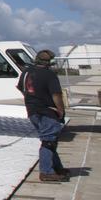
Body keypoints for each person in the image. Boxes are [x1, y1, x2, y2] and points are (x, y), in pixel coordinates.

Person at [18, 48, 69, 182]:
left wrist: (32, 100)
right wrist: (61, 110)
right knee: (48, 142)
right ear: (49, 62)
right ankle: (46, 171)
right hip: (47, 111)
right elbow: (56, 95)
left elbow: (20, 88)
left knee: (50, 140)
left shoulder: (26, 72)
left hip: (33, 111)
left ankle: (57, 167)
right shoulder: (49, 75)